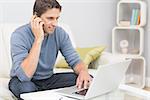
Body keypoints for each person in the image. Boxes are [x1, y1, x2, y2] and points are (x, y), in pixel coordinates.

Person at [8, 0, 92, 99]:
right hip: (23, 81)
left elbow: (74, 60)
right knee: (27, 89)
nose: (55, 23)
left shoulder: (60, 33)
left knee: (86, 79)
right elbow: (25, 76)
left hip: (48, 80)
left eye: (57, 18)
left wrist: (83, 72)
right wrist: (38, 39)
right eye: (50, 18)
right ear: (36, 17)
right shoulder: (19, 35)